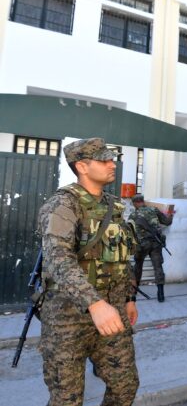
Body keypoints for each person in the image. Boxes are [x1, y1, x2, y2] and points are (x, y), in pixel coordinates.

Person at [38, 138, 139, 406]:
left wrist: (129, 298)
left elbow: (121, 255)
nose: (111, 164)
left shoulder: (113, 206)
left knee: (125, 386)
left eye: (111, 158)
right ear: (82, 166)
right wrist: (95, 303)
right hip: (67, 318)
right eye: (104, 160)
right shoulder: (62, 205)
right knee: (67, 399)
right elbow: (58, 259)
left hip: (112, 314)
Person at [129, 193, 173, 302]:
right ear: (143, 201)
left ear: (135, 203)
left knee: (138, 266)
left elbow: (130, 232)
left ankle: (134, 291)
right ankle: (161, 294)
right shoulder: (154, 210)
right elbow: (167, 222)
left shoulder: (133, 215)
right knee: (158, 267)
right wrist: (171, 214)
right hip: (155, 243)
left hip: (141, 245)